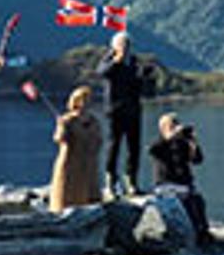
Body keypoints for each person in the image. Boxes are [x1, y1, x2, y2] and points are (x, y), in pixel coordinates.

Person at [100, 28, 154, 196]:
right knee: (113, 146)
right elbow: (102, 72)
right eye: (123, 44)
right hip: (115, 111)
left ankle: (131, 181)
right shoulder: (109, 59)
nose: (126, 47)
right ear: (114, 46)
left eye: (128, 44)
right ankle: (111, 181)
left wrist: (145, 77)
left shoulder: (134, 62)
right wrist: (116, 60)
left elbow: (142, 87)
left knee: (134, 148)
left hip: (133, 110)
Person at [150, 109, 208, 238]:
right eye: (171, 126)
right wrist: (169, 137)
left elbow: (198, 160)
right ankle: (192, 233)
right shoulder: (160, 144)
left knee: (198, 201)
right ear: (163, 128)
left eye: (176, 125)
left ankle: (202, 232)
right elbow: (152, 150)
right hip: (166, 186)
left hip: (184, 186)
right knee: (188, 203)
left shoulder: (183, 143)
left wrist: (193, 142)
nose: (175, 128)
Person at [47, 83, 105, 209]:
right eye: (84, 99)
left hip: (89, 164)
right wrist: (62, 127)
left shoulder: (94, 121)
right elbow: (58, 139)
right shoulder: (68, 120)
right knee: (68, 194)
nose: (87, 103)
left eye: (89, 99)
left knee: (91, 195)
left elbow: (99, 141)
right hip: (71, 164)